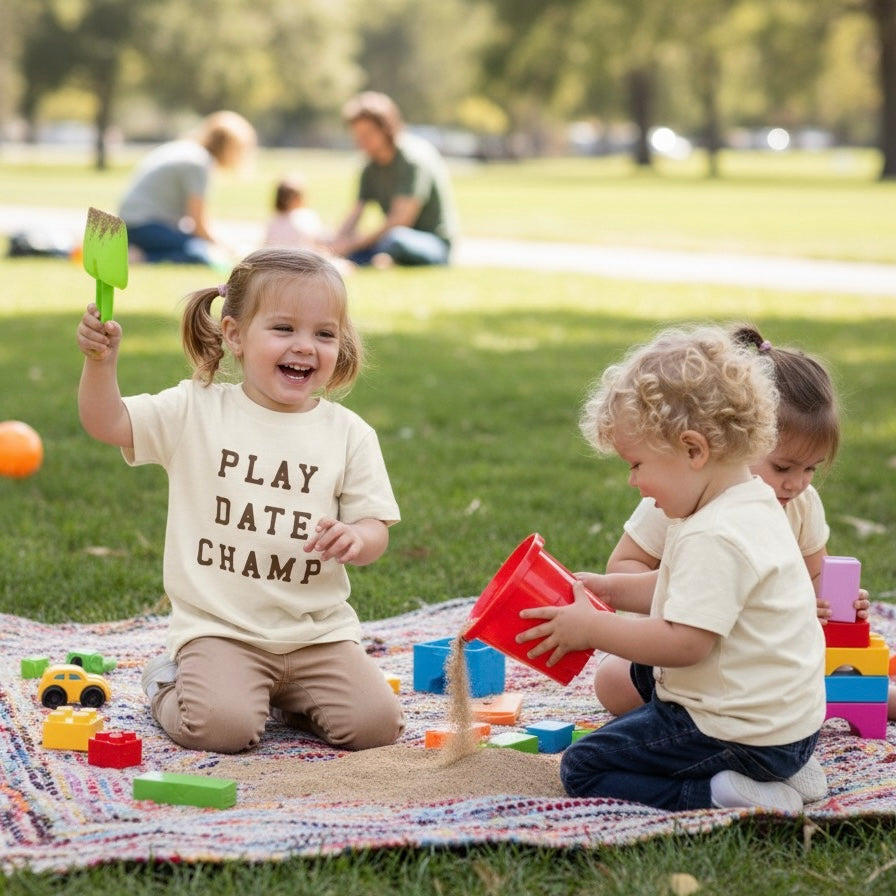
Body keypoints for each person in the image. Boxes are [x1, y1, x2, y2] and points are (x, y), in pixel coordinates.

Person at [76, 248, 404, 754]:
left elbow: (374, 528)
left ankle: (287, 699)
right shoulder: (196, 409)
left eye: (324, 333)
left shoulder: (348, 433)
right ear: (234, 335)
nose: (305, 346)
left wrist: (356, 537)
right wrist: (101, 363)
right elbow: (108, 422)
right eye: (284, 328)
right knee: (221, 730)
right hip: (221, 631)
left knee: (376, 726)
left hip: (318, 635)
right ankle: (166, 682)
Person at [516, 325, 826, 812]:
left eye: (637, 464)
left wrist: (593, 628)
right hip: (791, 728)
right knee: (644, 677)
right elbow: (693, 590)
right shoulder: (752, 503)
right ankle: (784, 767)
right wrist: (611, 590)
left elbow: (684, 643)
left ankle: (723, 791)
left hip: (738, 732)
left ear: (693, 450)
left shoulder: (713, 534)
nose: (633, 481)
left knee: (584, 765)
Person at [592, 326, 880, 719]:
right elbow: (624, 564)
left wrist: (835, 602)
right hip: (687, 636)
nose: (796, 483)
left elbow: (814, 575)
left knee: (816, 665)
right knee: (611, 680)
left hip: (757, 655)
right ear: (742, 442)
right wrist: (684, 599)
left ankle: (857, 697)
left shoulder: (800, 503)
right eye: (783, 467)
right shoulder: (675, 500)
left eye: (810, 469)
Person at [327, 91, 458, 267]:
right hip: (390, 240)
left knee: (395, 238)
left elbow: (401, 220)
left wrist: (352, 244)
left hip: (431, 244)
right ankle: (381, 259)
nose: (361, 142)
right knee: (361, 244)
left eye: (367, 135)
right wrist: (336, 242)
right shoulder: (370, 166)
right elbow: (355, 213)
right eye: (357, 136)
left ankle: (382, 258)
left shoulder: (412, 160)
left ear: (386, 129)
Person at [119, 110, 257, 266]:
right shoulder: (199, 163)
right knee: (199, 252)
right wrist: (226, 248)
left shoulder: (188, 149)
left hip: (133, 223)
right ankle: (140, 257)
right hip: (145, 226)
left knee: (194, 244)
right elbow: (198, 225)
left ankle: (140, 253)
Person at [263, 174, 326, 250]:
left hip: (278, 256)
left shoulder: (272, 221)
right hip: (301, 256)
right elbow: (320, 243)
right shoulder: (306, 217)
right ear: (297, 198)